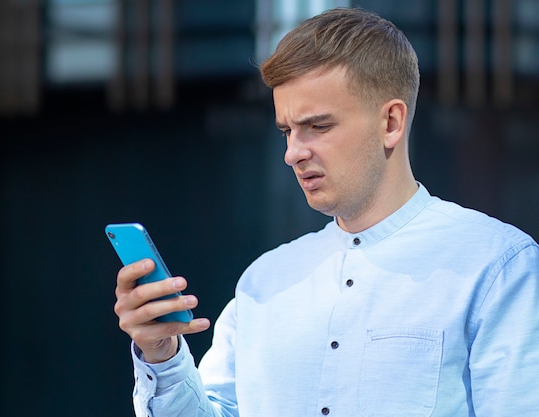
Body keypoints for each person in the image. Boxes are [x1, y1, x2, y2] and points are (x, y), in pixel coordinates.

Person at [113, 7, 539, 416]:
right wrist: (162, 354)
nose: (293, 153)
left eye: (318, 126)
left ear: (391, 123)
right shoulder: (263, 283)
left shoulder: (495, 266)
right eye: (286, 130)